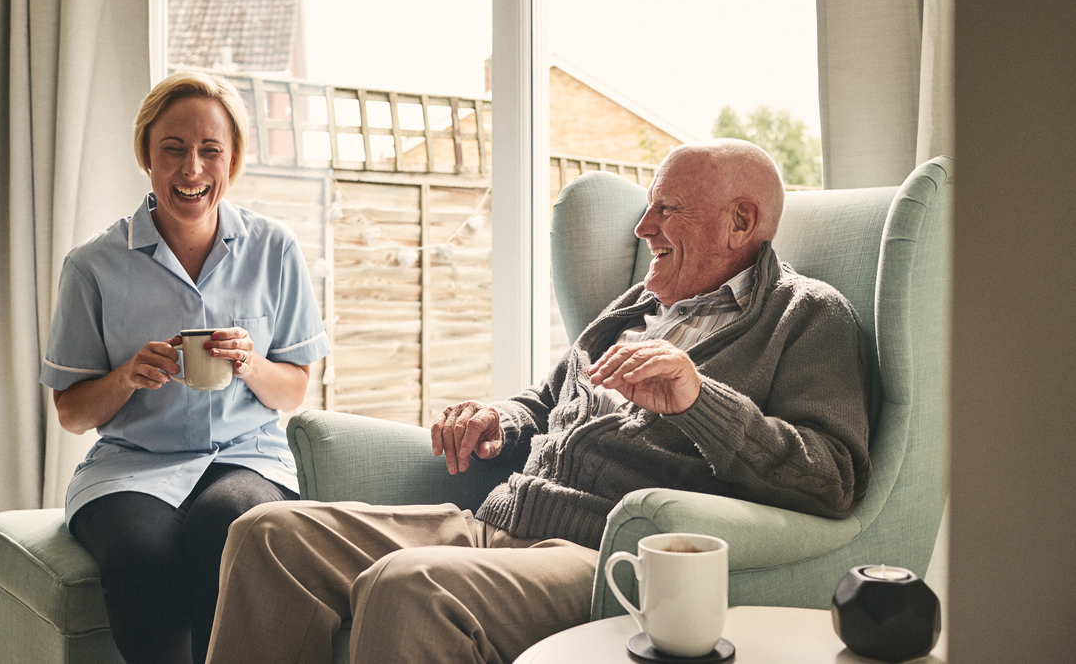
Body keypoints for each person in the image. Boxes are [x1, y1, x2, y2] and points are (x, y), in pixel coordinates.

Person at [204, 139, 872, 664]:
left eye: (667, 208)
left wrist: (698, 399)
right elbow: (549, 397)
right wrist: (502, 418)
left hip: (601, 554)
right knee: (267, 536)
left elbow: (833, 477)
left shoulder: (806, 316)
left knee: (409, 588)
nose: (643, 228)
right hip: (496, 523)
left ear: (741, 221)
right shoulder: (636, 305)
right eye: (647, 206)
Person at [40, 71, 330, 664]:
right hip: (131, 465)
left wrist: (248, 363)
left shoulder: (275, 249)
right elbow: (71, 412)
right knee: (141, 556)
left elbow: (296, 388)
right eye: (172, 149)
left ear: (233, 159)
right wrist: (126, 377)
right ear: (147, 154)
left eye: (209, 150)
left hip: (245, 456)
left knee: (229, 527)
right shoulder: (92, 266)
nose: (191, 169)